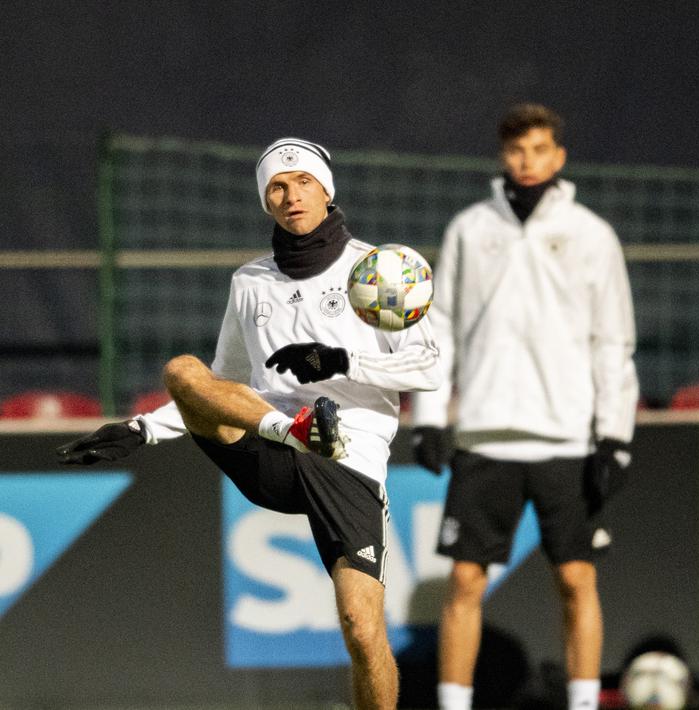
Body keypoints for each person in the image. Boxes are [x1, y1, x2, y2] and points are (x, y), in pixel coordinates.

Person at [57, 137, 443, 710]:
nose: (291, 196)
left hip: (347, 462)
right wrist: (142, 429)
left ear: (326, 189)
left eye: (303, 182)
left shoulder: (378, 267)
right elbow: (222, 386)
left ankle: (307, 433)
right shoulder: (250, 283)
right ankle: (296, 430)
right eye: (277, 187)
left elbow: (429, 366)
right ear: (266, 202)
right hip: (272, 446)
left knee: (362, 631)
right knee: (182, 371)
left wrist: (341, 361)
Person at [409, 103, 638, 710]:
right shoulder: (468, 228)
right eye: (516, 150)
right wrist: (429, 416)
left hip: (568, 437)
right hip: (486, 434)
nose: (527, 161)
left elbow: (613, 340)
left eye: (540, 149)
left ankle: (584, 704)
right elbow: (441, 326)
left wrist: (614, 435)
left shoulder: (592, 234)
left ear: (559, 156)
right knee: (463, 581)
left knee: (576, 578)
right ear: (502, 155)